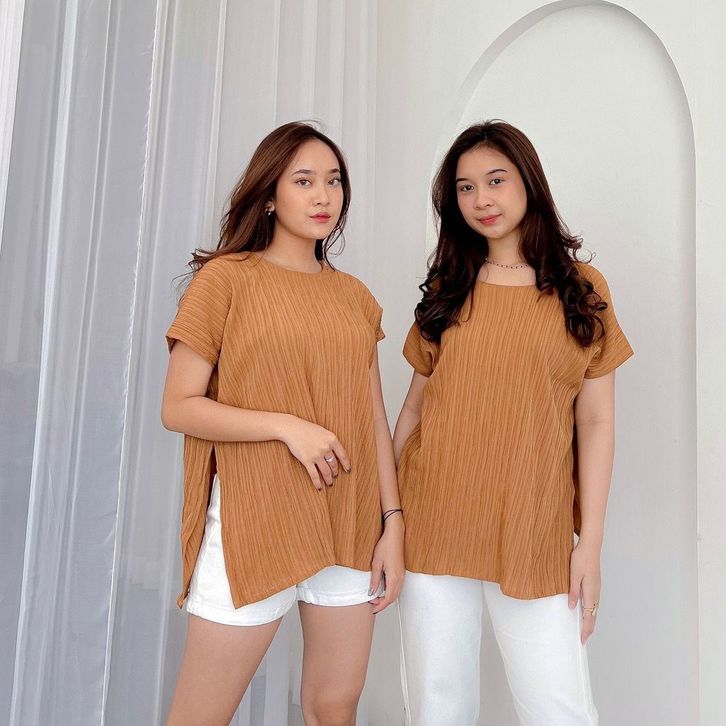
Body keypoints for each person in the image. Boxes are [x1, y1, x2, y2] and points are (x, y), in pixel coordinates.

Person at [161, 121, 404, 725]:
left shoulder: (355, 297)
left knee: (333, 706)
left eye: (334, 181)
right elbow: (179, 406)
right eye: (304, 181)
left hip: (347, 522)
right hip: (256, 519)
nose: (324, 196)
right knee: (200, 716)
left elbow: (372, 418)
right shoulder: (226, 281)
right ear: (269, 195)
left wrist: (393, 522)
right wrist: (286, 426)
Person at [393, 120, 634, 725]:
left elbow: (596, 422)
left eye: (496, 180)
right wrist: (387, 516)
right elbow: (415, 407)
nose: (482, 199)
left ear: (528, 181)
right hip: (433, 521)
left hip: (534, 527)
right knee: (436, 707)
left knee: (558, 708)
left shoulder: (582, 289)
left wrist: (590, 543)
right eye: (465, 188)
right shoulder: (449, 287)